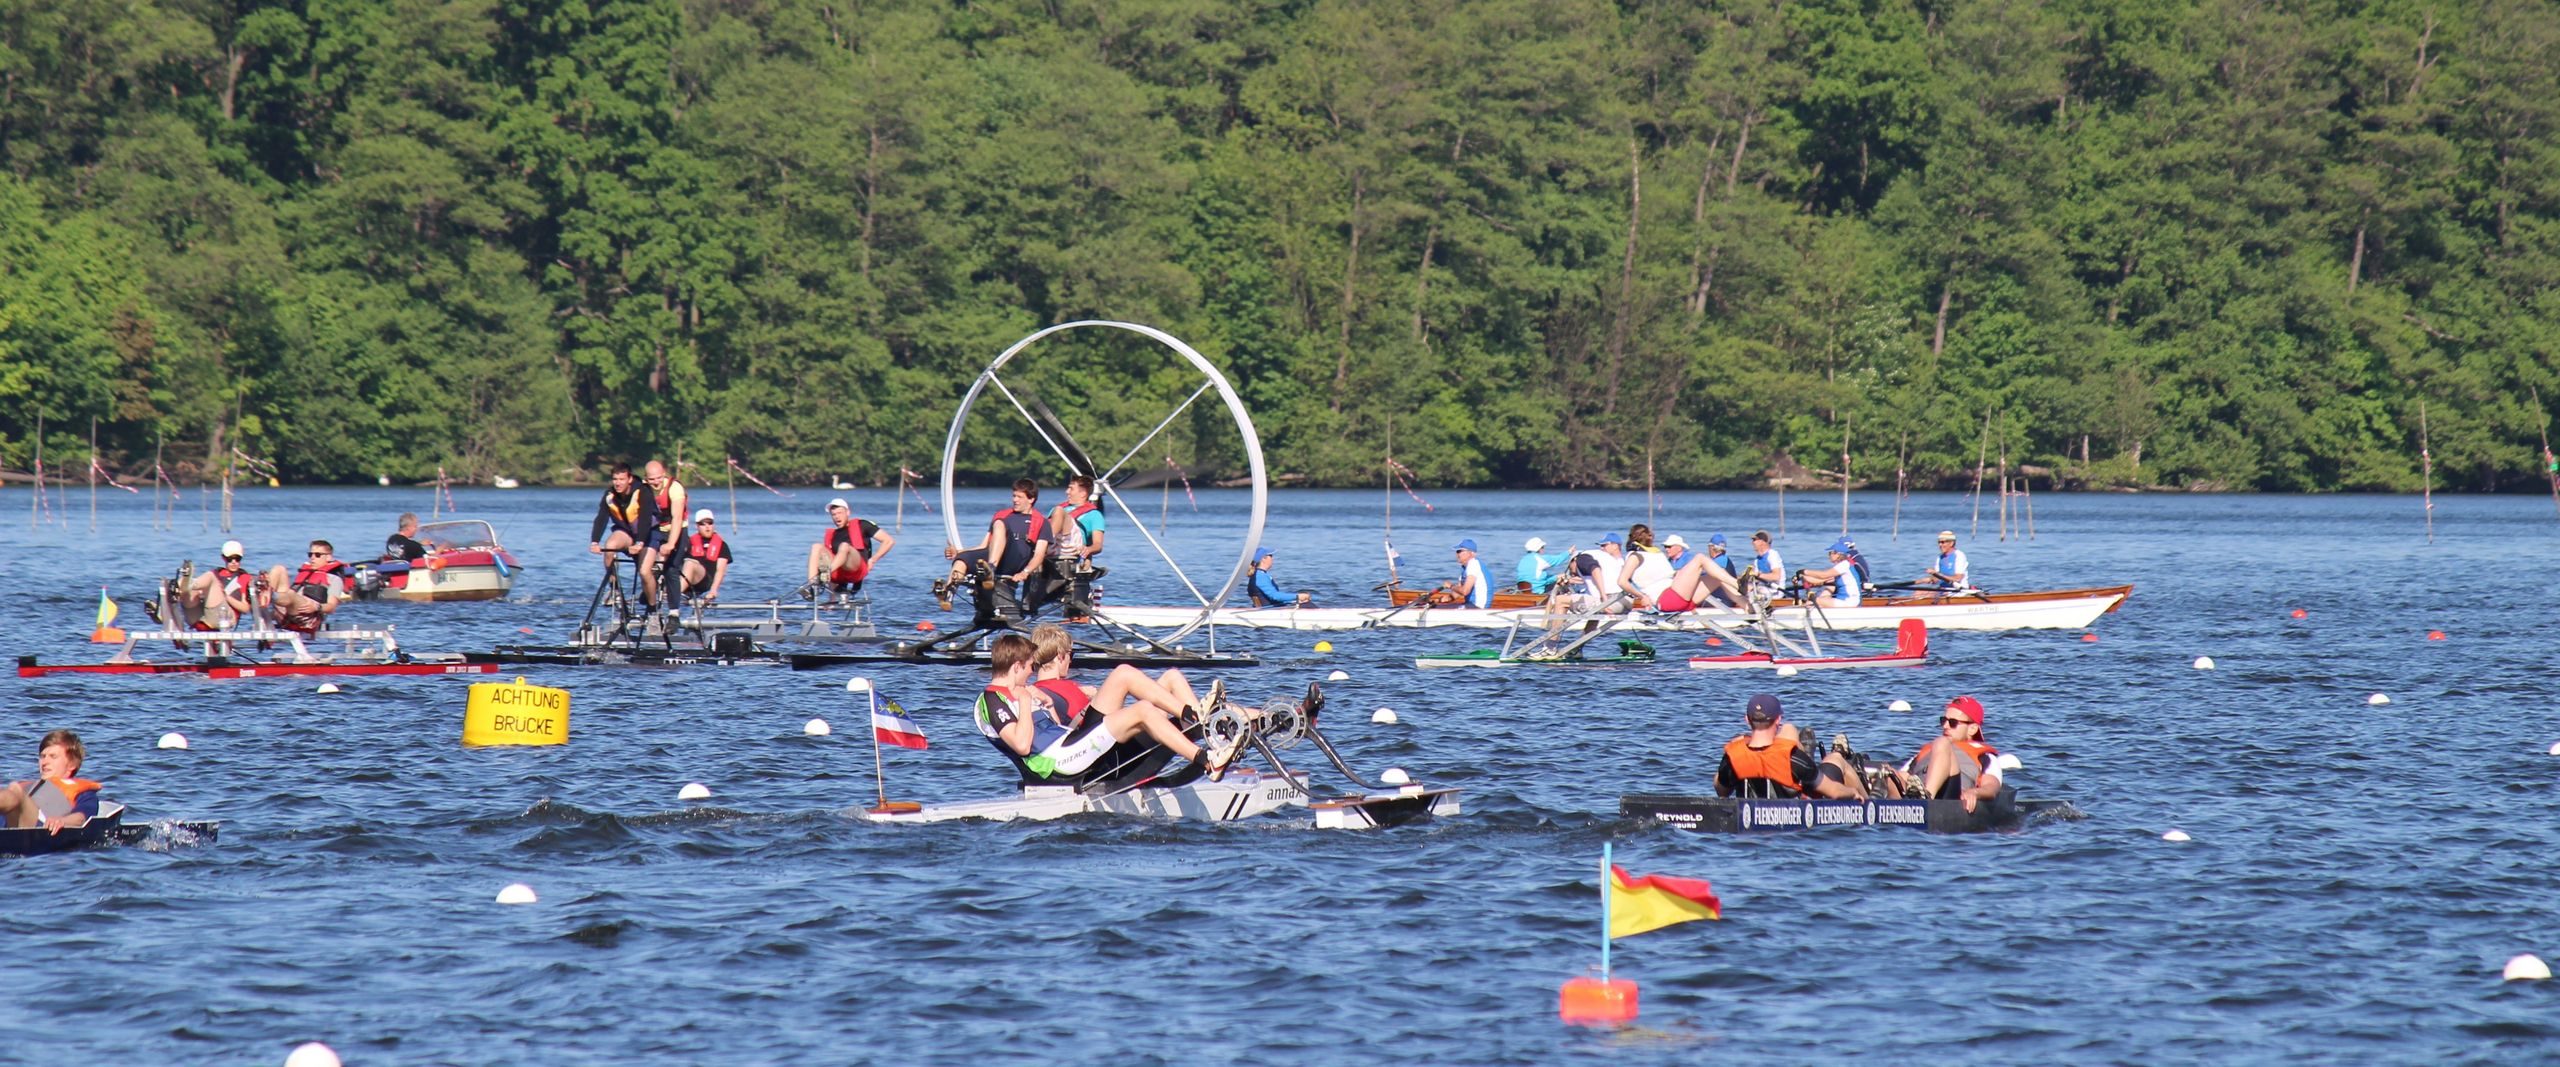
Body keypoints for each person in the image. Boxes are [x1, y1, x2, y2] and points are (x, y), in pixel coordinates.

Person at [974, 634, 1234, 786]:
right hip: (1058, 763)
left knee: (1125, 676)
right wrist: (1027, 701)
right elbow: (1021, 745)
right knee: (1142, 710)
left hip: (1070, 742)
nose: (1032, 672)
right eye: (1030, 666)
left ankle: (1196, 717)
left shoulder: (1023, 692)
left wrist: (1049, 705)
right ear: (1017, 666)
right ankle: (1208, 761)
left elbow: (1052, 727)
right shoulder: (991, 700)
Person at [1712, 694, 1860, 799]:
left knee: (1790, 733)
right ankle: (1872, 798)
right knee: (1836, 759)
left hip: (1750, 814)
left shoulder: (1732, 758)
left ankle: (1808, 754)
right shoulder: (1793, 758)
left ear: (1747, 720)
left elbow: (1722, 792)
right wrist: (1852, 792)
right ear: (1778, 720)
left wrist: (1730, 758)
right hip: (1800, 799)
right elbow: (1834, 792)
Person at [936, 479, 1048, 610]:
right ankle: (948, 595)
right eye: (1014, 496)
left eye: (1019, 497)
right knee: (962, 559)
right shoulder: (1002, 515)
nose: (1015, 500)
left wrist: (1025, 572)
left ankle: (990, 569)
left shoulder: (1041, 522)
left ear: (1031, 499)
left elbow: (1039, 555)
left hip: (1015, 559)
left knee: (1000, 523)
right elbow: (983, 545)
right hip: (994, 556)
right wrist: (959, 552)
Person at [1883, 696, 2004, 812]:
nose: (1945, 726)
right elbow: (1902, 775)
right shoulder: (1926, 750)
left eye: (1953, 722)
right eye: (1943, 720)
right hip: (1912, 797)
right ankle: (1883, 808)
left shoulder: (1986, 757)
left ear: (1972, 729)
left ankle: (1926, 797)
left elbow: (1991, 787)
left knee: (1942, 742)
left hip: (1952, 796)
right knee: (1887, 772)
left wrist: (1974, 793)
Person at [0, 730, 100, 834]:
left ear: (72, 764)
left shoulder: (85, 794)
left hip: (41, 828)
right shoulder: (28, 786)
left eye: (53, 756)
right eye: (43, 756)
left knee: (15, 789)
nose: (45, 762)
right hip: (9, 824)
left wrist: (62, 821)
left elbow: (81, 818)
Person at [1035, 475, 1108, 615]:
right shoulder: (1059, 509)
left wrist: (1088, 550)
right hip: (1054, 548)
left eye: (1071, 488)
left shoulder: (1094, 515)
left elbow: (1098, 545)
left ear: (1083, 493)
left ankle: (1042, 545)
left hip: (1071, 547)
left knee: (1058, 511)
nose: (1067, 492)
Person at [589, 465, 661, 595]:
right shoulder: (610, 495)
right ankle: (615, 590)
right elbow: (601, 518)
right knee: (610, 546)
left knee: (644, 572)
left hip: (648, 534)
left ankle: (652, 608)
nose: (618, 483)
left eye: (622, 479)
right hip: (626, 533)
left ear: (630, 479)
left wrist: (639, 542)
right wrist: (595, 541)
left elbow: (645, 519)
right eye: (615, 479)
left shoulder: (643, 491)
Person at [804, 498, 893, 599]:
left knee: (844, 546)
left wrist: (873, 560)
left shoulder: (862, 525)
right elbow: (832, 560)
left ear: (848, 512)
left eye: (840, 513)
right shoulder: (833, 535)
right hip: (839, 574)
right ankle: (812, 585)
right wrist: (831, 598)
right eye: (834, 514)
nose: (837, 517)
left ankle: (823, 576)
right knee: (816, 547)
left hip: (857, 569)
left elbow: (889, 541)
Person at [260, 540, 350, 633]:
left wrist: (316, 607)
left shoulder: (334, 579)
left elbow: (331, 607)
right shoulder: (305, 574)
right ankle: (265, 591)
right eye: (310, 554)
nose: (313, 558)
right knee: (279, 568)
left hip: (308, 619)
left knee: (291, 594)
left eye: (317, 555)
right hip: (288, 613)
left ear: (328, 557)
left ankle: (269, 594)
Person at [166, 540, 255, 630]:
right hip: (200, 617)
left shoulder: (244, 577)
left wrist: (226, 597)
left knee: (211, 576)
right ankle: (168, 603)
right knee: (193, 590)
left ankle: (187, 585)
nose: (234, 562)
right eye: (230, 559)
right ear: (223, 558)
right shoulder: (218, 572)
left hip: (225, 617)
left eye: (237, 559)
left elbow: (246, 609)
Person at [640, 461, 690, 610]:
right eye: (651, 479)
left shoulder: (675, 488)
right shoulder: (642, 488)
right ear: (646, 478)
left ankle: (674, 613)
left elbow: (677, 518)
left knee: (671, 570)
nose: (655, 482)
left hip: (676, 529)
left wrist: (671, 544)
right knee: (646, 567)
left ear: (664, 474)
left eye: (658, 478)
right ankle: (650, 593)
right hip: (655, 530)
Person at [674, 509, 732, 605]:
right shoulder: (689, 542)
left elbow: (721, 570)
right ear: (697, 526)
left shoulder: (722, 545)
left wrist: (713, 590)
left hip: (705, 581)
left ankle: (674, 593)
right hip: (687, 578)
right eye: (703, 524)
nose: (707, 527)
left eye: (710, 523)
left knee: (690, 563)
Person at [1618, 524, 1676, 610]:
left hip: (1672, 590)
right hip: (1661, 596)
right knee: (1699, 559)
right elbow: (1622, 581)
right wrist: (1642, 596)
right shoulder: (1635, 556)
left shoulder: (1657, 554)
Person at [1797, 539, 1863, 608]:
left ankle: (1801, 616)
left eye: (1830, 553)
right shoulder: (1840, 567)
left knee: (1814, 600)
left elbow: (1823, 575)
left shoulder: (1844, 565)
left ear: (1837, 554)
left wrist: (1804, 571)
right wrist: (1801, 576)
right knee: (1819, 600)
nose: (1829, 556)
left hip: (1849, 601)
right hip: (1842, 599)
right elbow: (1819, 580)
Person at [1432, 539, 1491, 608]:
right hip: (1470, 606)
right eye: (1457, 551)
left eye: (1460, 551)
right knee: (1433, 606)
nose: (1457, 554)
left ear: (1472, 553)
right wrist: (1436, 601)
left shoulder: (1473, 564)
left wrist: (1450, 586)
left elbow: (1465, 591)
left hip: (1477, 608)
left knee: (1435, 609)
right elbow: (1457, 593)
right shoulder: (1465, 568)